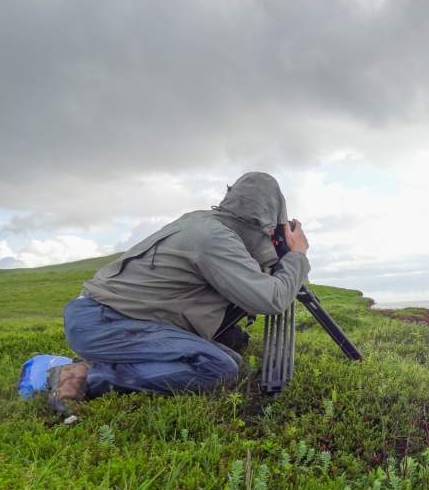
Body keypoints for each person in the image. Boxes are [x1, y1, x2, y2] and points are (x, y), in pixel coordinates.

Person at [47, 172, 310, 413]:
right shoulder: (214, 238)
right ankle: (86, 374)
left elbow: (254, 291)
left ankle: (100, 363)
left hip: (104, 317)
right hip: (105, 322)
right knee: (217, 369)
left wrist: (279, 257)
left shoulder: (203, 222)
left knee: (231, 358)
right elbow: (271, 299)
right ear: (266, 218)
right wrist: (296, 256)